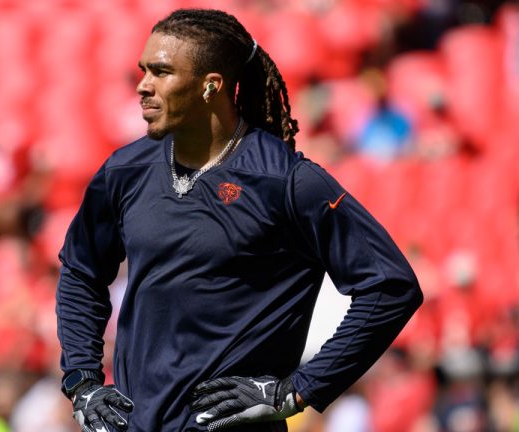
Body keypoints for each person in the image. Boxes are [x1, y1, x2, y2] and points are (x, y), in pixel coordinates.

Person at [55, 8, 423, 432]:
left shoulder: (285, 181)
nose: (142, 86)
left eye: (161, 72)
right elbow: (81, 272)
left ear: (211, 86)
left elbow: (390, 286)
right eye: (144, 70)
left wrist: (299, 390)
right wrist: (82, 381)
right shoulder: (124, 170)